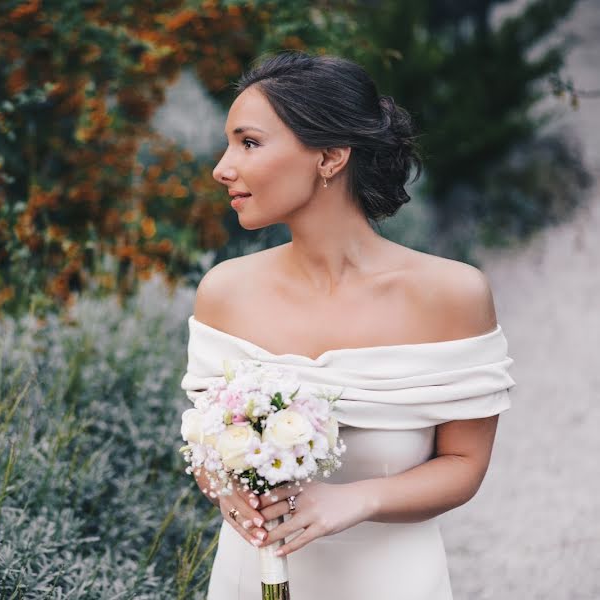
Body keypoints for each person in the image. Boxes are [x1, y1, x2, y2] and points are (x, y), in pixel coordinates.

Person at [180, 51, 515, 600]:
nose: (222, 167)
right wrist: (225, 491)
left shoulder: (453, 295)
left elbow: (465, 463)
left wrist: (354, 500)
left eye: (249, 142)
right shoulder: (224, 292)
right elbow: (206, 446)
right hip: (252, 574)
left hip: (393, 579)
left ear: (332, 156)